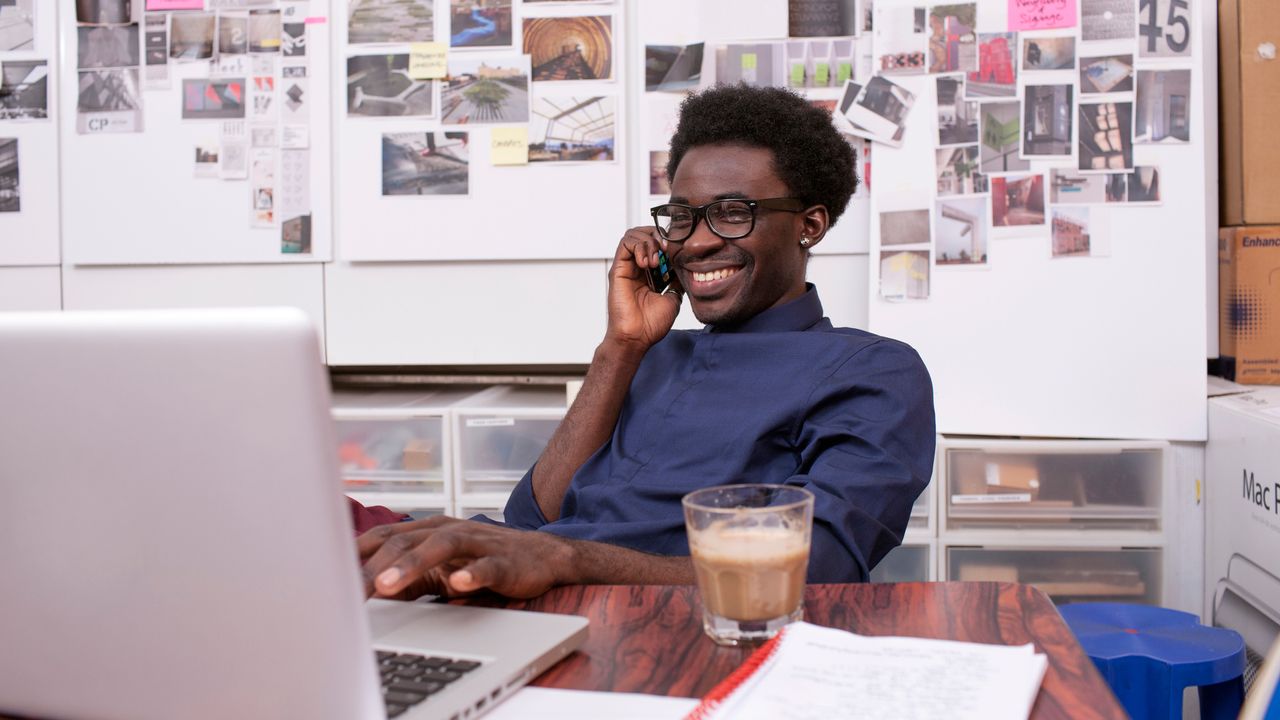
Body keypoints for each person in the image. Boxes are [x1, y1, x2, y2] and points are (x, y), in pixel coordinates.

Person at [358, 84, 935, 602]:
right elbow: (535, 518)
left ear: (809, 225)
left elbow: (814, 569)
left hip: (667, 628)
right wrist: (622, 345)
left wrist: (566, 559)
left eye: (733, 213)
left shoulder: (873, 370)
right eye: (681, 217)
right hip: (535, 602)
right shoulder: (652, 355)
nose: (696, 244)